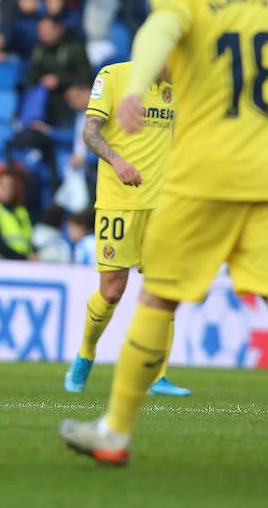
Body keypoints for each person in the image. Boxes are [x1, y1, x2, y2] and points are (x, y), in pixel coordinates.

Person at [59, 0, 268, 473]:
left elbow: (157, 35)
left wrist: (135, 90)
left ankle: (114, 431)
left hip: (205, 173)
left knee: (157, 295)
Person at [63, 59, 190, 397]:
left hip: (165, 206)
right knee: (112, 291)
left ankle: (157, 376)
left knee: (165, 290)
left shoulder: (182, 86)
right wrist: (118, 162)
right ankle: (86, 353)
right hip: (120, 202)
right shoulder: (114, 76)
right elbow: (90, 131)